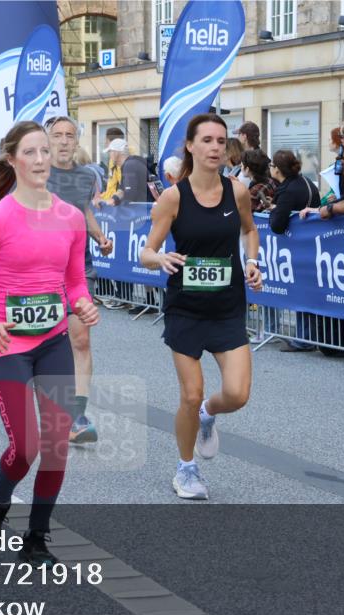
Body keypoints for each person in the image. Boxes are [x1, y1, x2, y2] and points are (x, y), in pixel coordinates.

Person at [0, 120, 99, 565]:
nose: (39, 160)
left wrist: (84, 305)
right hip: (9, 346)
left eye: (44, 152)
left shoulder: (70, 218)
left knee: (54, 448)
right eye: (29, 153)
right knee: (26, 449)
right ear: (13, 160)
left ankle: (35, 539)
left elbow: (73, 281)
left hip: (53, 343)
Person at [139, 113, 263, 500]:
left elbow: (249, 228)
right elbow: (147, 251)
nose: (215, 148)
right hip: (186, 308)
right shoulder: (174, 197)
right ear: (190, 146)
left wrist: (253, 261)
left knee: (238, 394)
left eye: (221, 141)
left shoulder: (237, 191)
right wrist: (160, 260)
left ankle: (209, 414)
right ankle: (186, 468)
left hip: (227, 307)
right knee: (190, 394)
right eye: (207, 140)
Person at [44, 115, 114, 444]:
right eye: (56, 135)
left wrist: (99, 235)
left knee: (81, 340)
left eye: (69, 135)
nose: (63, 140)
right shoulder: (36, 174)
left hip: (76, 267)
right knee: (42, 342)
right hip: (39, 268)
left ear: (76, 141)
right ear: (48, 140)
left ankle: (78, 416)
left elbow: (83, 209)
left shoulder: (87, 176)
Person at [268, 150, 320, 353]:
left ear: (278, 170)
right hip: (313, 244)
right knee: (309, 291)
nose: (270, 168)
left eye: (272, 165)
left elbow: (278, 225)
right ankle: (309, 337)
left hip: (299, 248)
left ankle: (305, 339)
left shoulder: (287, 190)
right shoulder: (306, 182)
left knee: (302, 292)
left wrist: (273, 210)